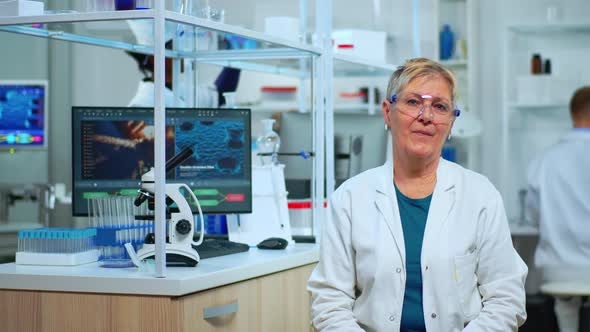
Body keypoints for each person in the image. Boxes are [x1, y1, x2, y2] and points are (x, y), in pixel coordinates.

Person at [308, 58, 528, 331]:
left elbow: (506, 298)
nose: (426, 115)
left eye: (439, 106)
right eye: (413, 102)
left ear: (450, 122)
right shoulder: (350, 199)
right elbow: (330, 302)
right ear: (388, 112)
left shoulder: (481, 196)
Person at [527, 86, 590, 332]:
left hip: (558, 271)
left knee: (565, 303)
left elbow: (535, 215)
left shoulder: (545, 160)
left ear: (572, 113)